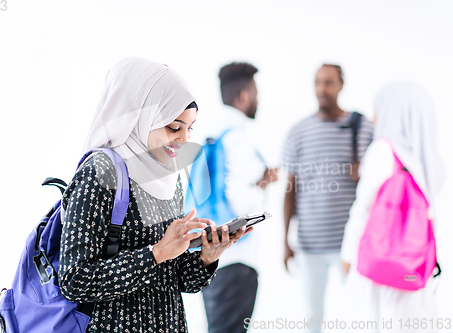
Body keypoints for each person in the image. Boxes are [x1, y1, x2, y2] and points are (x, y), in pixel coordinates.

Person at [58, 57, 251, 333]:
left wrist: (207, 256)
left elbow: (175, 280)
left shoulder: (168, 175)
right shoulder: (100, 172)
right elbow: (74, 280)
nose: (184, 139)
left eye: (190, 127)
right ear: (141, 114)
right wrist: (156, 253)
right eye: (174, 127)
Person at [340, 82, 445, 333]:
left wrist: (347, 257)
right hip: (414, 272)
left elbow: (361, 211)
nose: (375, 117)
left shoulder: (383, 150)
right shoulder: (427, 159)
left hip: (378, 275)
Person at [280, 64, 373, 332]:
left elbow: (382, 177)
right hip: (310, 241)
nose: (322, 89)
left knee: (362, 312)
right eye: (318, 82)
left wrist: (364, 173)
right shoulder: (297, 132)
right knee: (312, 317)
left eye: (329, 83)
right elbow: (290, 190)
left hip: (352, 241)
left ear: (341, 85)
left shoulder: (363, 127)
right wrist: (286, 240)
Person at [200, 62, 278, 333]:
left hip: (210, 255)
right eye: (255, 92)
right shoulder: (238, 139)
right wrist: (262, 185)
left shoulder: (211, 136)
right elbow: (240, 200)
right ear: (244, 96)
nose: (258, 99)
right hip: (237, 259)